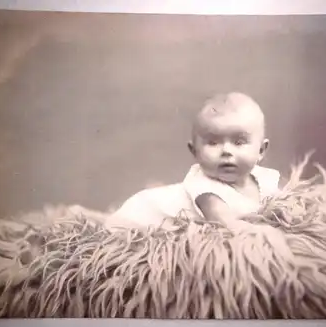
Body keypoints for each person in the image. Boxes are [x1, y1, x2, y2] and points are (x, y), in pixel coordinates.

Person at [103, 92, 281, 230]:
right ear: (195, 151)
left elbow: (284, 207)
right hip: (143, 214)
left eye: (239, 142)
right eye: (213, 142)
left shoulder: (265, 179)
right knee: (114, 230)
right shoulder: (205, 188)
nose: (226, 151)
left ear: (261, 151)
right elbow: (226, 225)